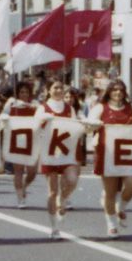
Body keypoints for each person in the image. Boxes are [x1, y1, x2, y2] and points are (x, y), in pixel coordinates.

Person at [86, 78, 132, 238]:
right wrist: (94, 124)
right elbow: (88, 127)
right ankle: (111, 224)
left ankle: (121, 206)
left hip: (128, 153)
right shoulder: (100, 108)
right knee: (110, 191)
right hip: (107, 152)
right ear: (109, 91)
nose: (118, 92)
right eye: (115, 89)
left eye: (121, 90)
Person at [37, 80, 83, 239]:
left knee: (72, 179)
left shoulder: (69, 108)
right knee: (52, 191)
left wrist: (85, 125)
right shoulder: (43, 108)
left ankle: (63, 199)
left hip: (66, 151)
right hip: (49, 153)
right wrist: (42, 120)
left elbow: (75, 128)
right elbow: (34, 128)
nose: (58, 90)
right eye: (55, 88)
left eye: (60, 88)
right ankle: (54, 227)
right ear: (48, 90)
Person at [1, 79, 40, 206]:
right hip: (16, 139)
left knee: (32, 171)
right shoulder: (11, 102)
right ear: (17, 93)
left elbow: (42, 113)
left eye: (26, 92)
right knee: (18, 170)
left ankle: (24, 185)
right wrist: (7, 115)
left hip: (31, 140)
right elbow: (3, 116)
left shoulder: (34, 103)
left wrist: (30, 106)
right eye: (21, 92)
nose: (24, 94)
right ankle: (20, 198)